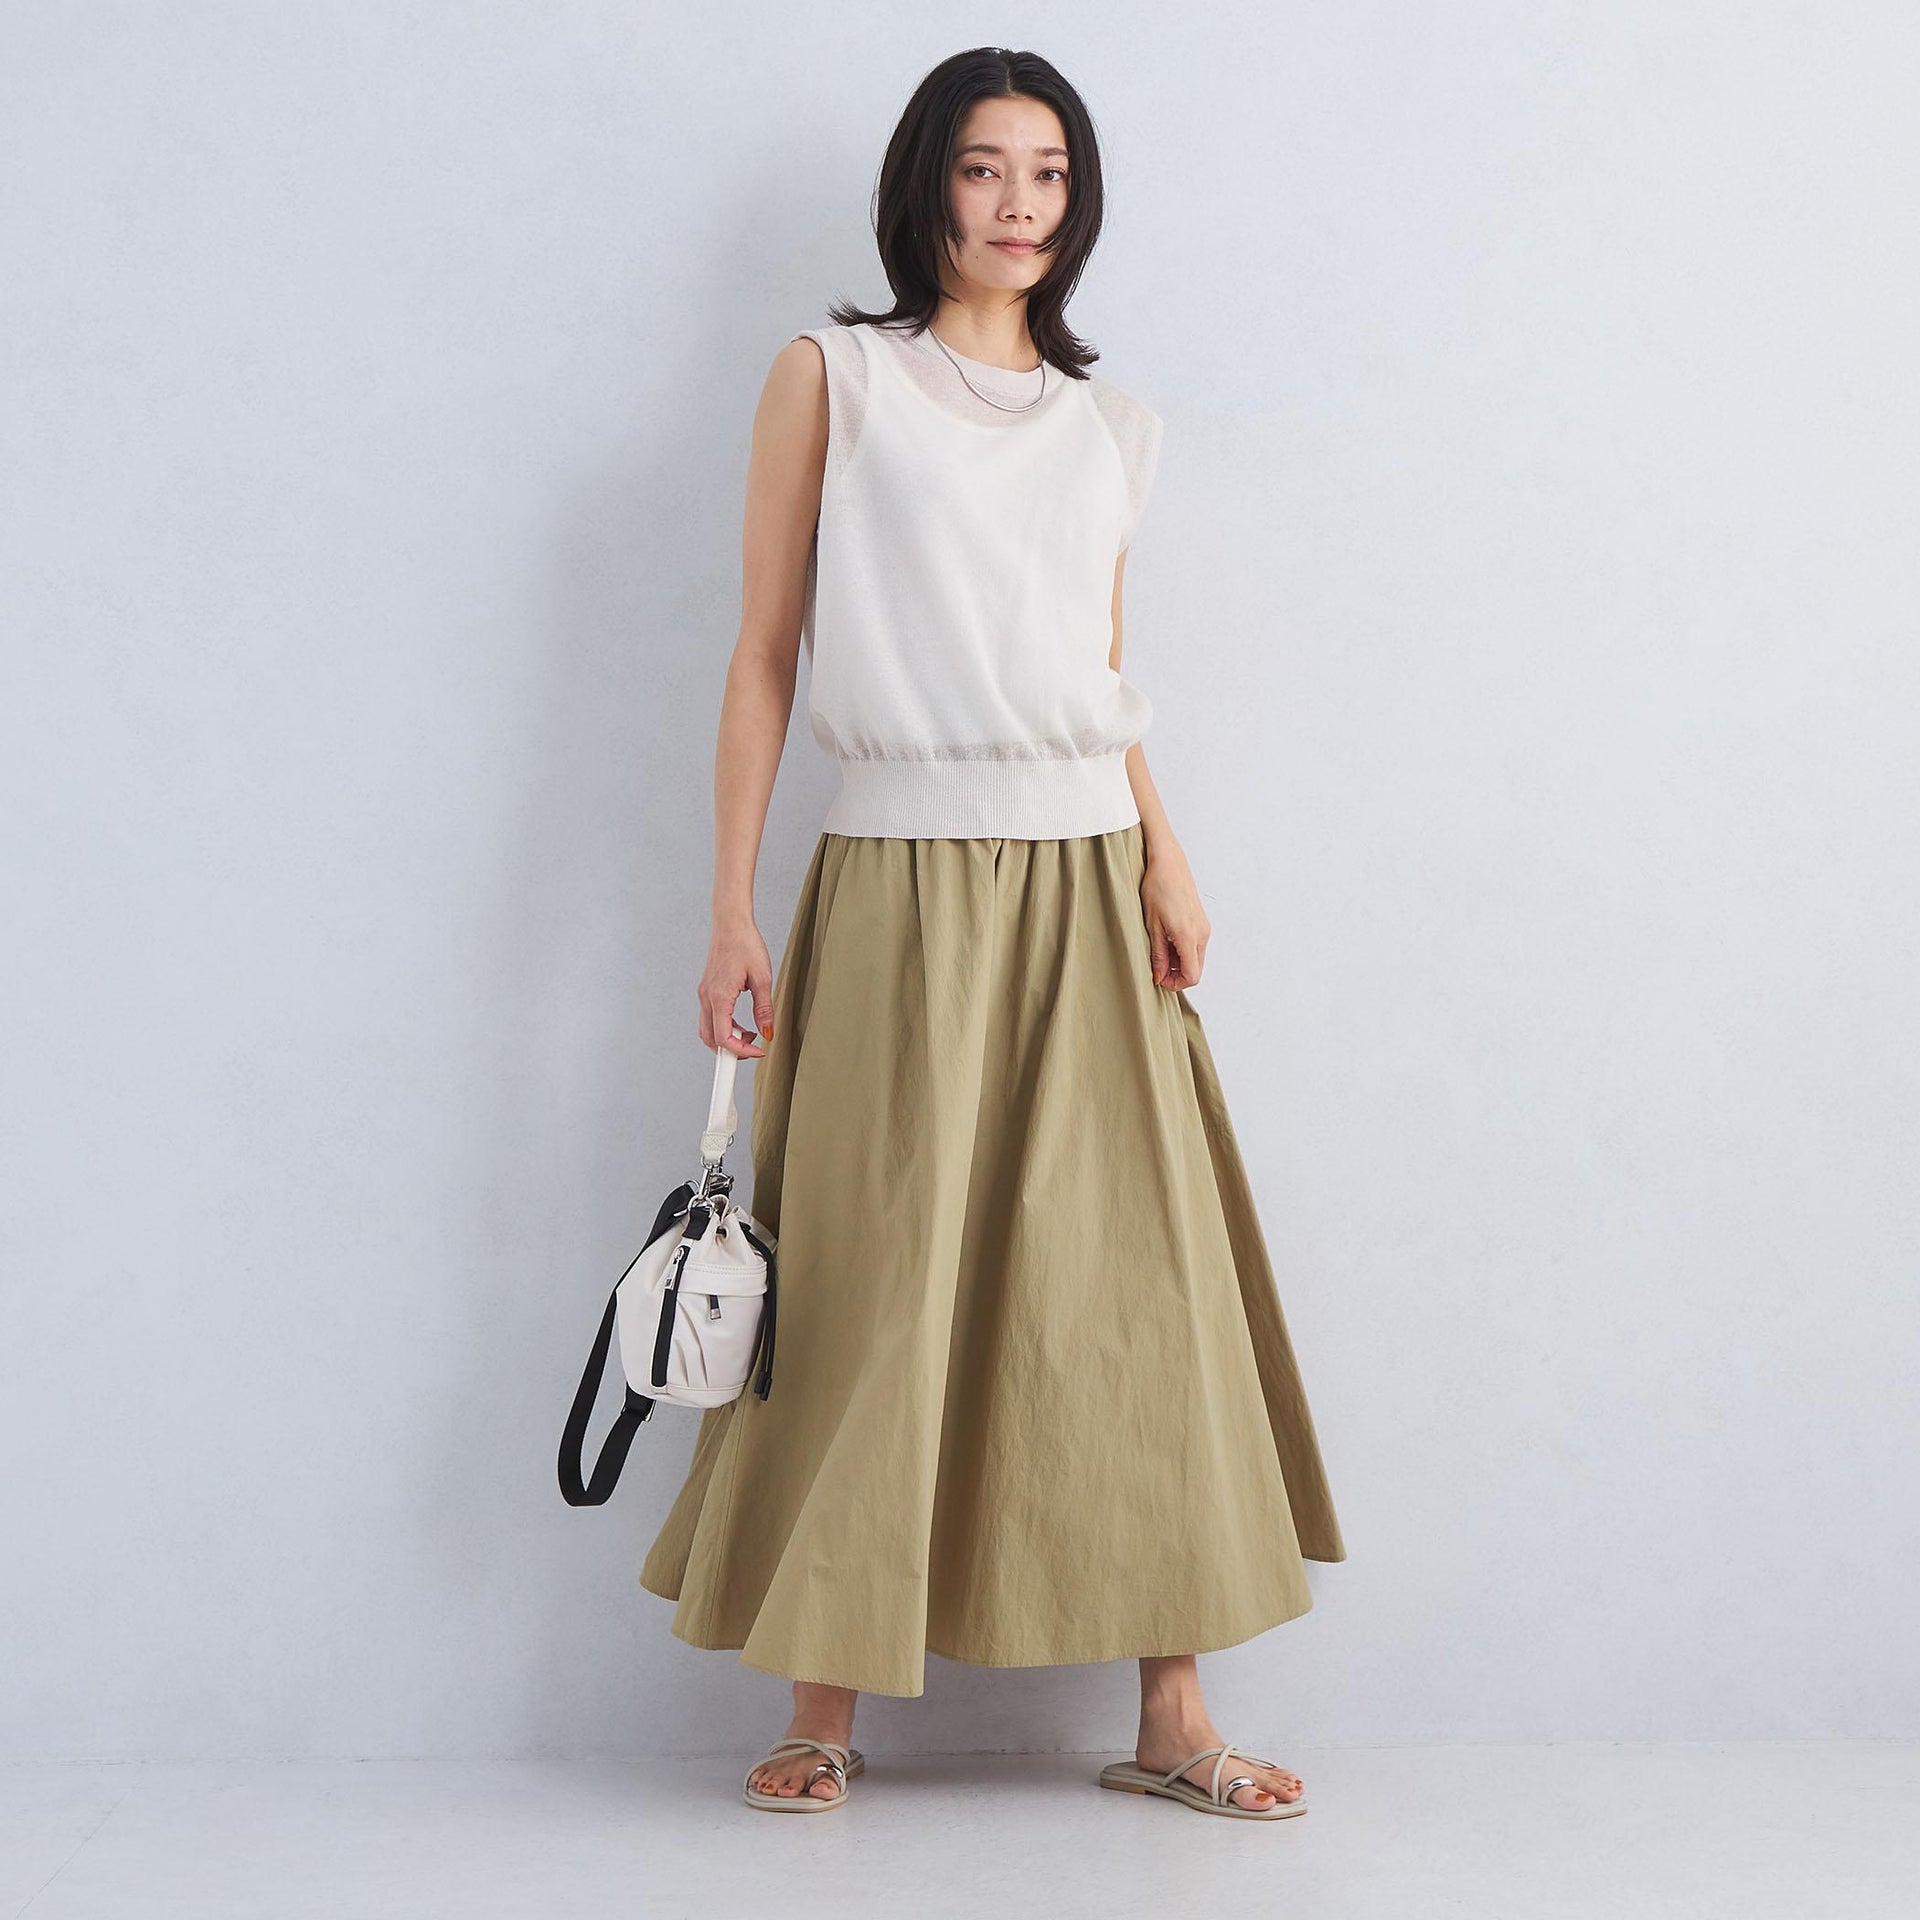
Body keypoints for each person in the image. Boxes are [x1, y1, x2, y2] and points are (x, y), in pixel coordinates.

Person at [640, 46, 1346, 1821]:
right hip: (894, 875)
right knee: (872, 1269)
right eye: (983, 167)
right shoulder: (835, 379)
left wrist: (1166, 852)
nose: (1019, 203)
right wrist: (727, 903)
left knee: (1136, 1286)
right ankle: (824, 1705)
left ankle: (1172, 1718)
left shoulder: (1114, 425)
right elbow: (764, 654)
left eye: (1048, 172)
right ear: (925, 186)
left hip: (1092, 874)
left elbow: (1092, 673)